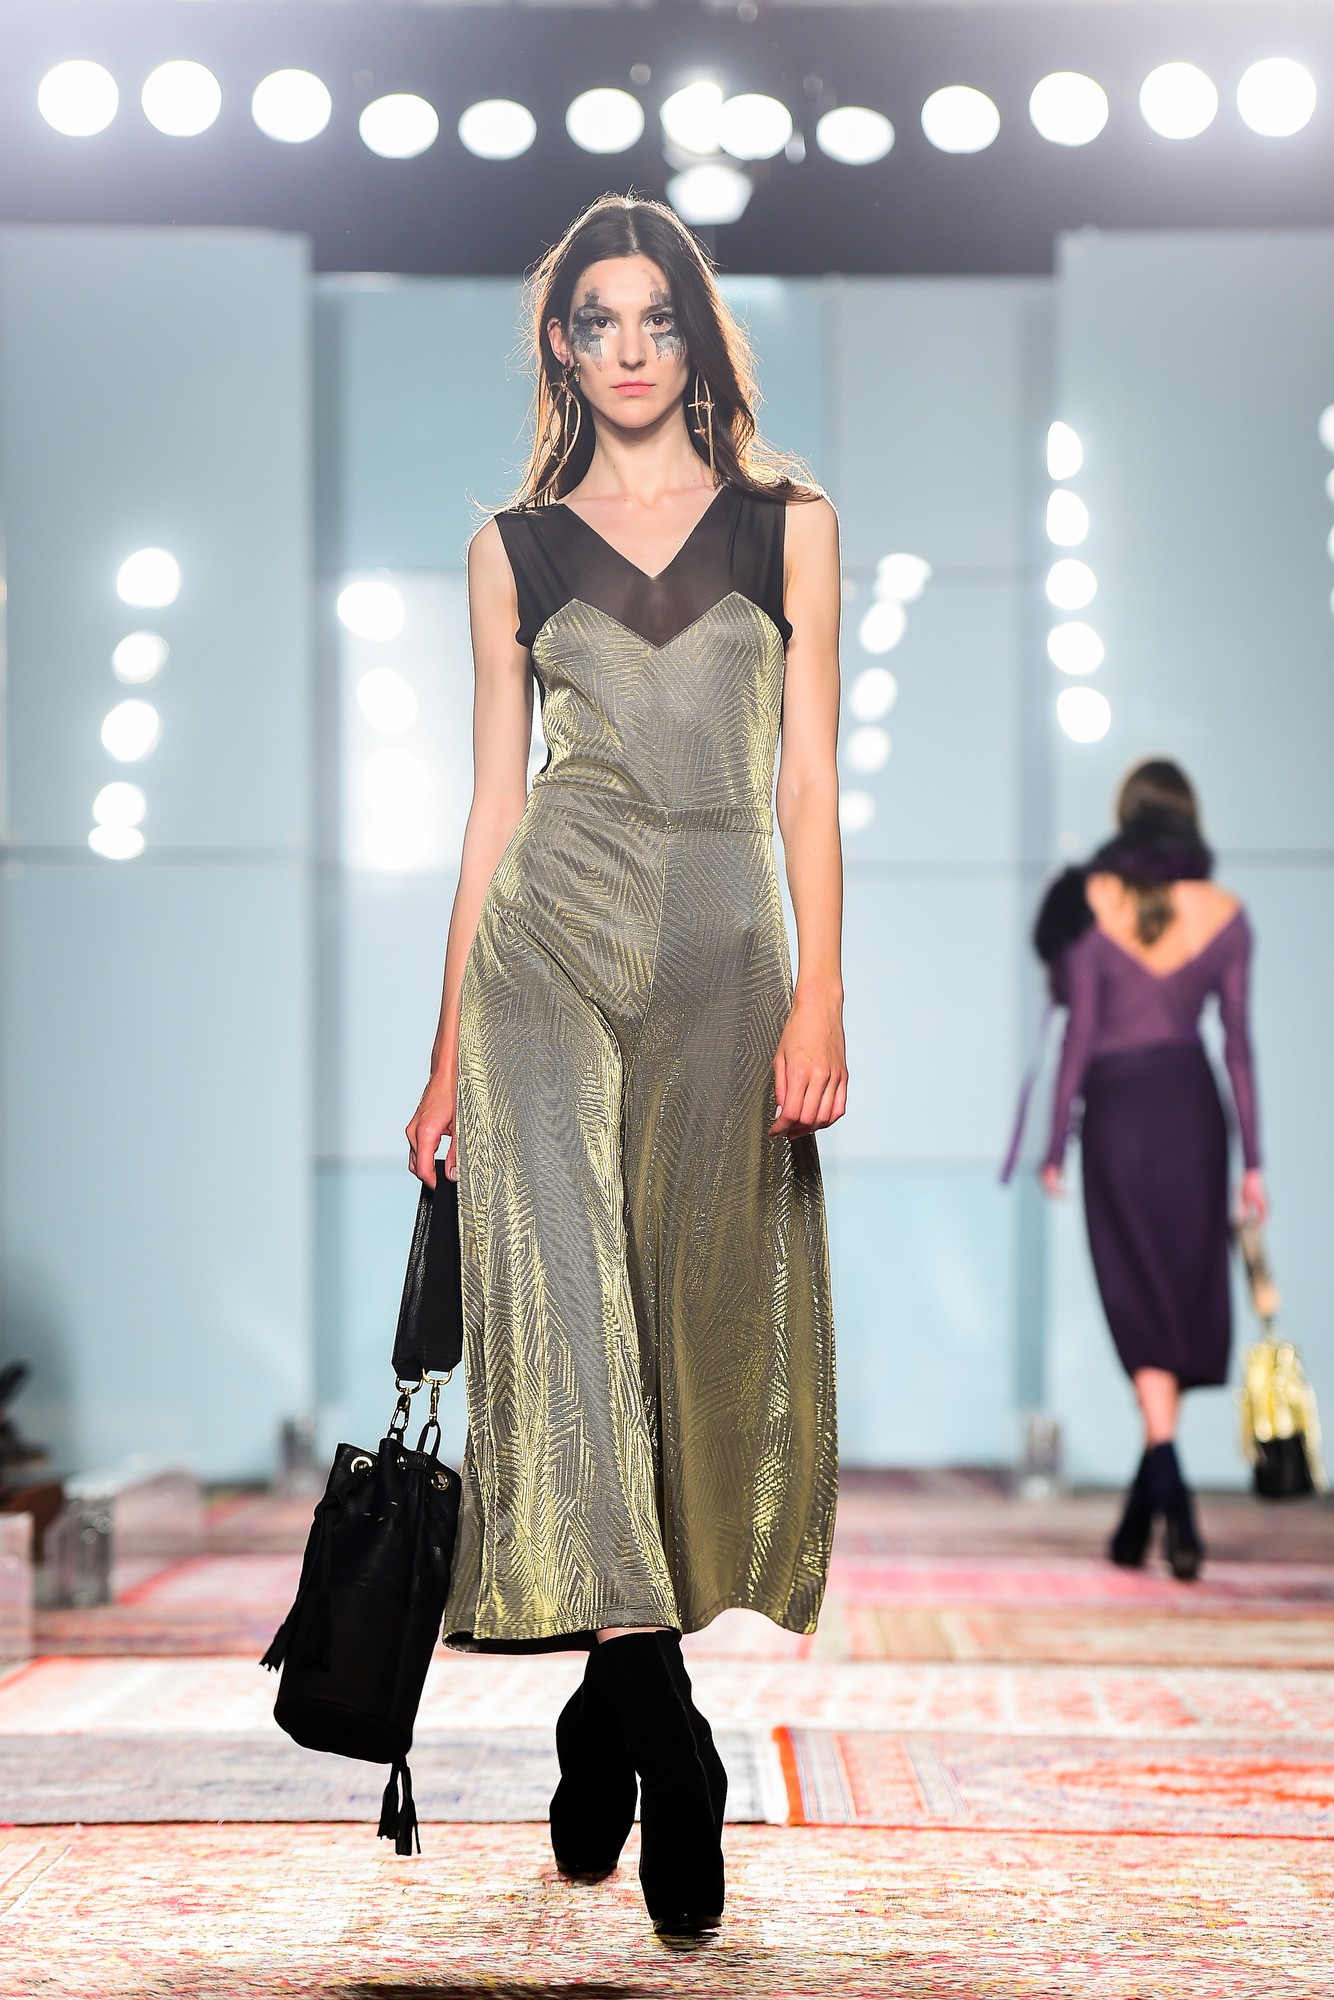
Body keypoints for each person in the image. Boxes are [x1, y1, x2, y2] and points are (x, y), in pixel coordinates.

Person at [405, 194, 844, 1938]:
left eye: (658, 315)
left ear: (695, 337)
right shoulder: (510, 547)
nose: (632, 346)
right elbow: (489, 806)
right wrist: (441, 1051)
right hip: (543, 959)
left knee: (684, 1326)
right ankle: (670, 1727)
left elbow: (805, 778)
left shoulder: (786, 525)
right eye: (598, 318)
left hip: (730, 963)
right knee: (572, 1326)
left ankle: (607, 1708)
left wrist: (822, 994)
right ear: (562, 347)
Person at [1036, 759, 1266, 1581]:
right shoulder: (1226, 913)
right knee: (1177, 1291)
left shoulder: (1093, 899)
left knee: (1137, 1291)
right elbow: (1237, 1045)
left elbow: (1079, 1033)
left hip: (1119, 1114)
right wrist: (1254, 1163)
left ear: (1127, 814)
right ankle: (1144, 1513)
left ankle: (1167, 1482)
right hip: (1194, 1113)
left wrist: (1054, 1143)